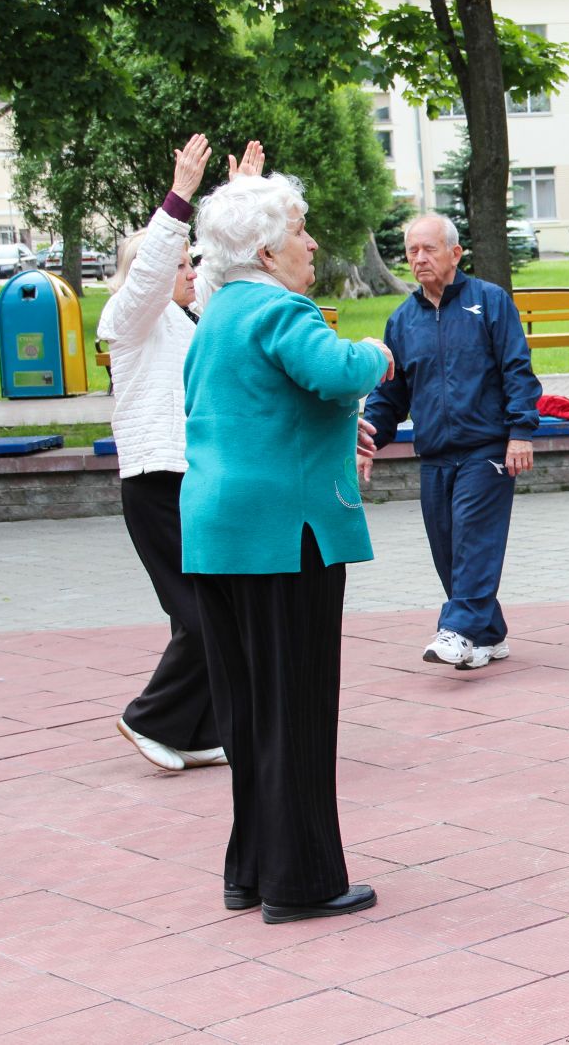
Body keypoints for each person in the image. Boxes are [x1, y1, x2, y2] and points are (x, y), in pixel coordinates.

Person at [183, 171, 395, 924]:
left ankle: (251, 869)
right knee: (297, 708)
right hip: (285, 535)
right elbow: (332, 369)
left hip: (216, 531)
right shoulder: (281, 307)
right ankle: (301, 880)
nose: (311, 243)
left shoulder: (216, 314)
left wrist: (339, 422)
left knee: (248, 713)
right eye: (301, 231)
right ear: (269, 250)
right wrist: (376, 352)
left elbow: (266, 407)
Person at [103, 134, 261, 772]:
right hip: (154, 483)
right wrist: (180, 197)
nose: (191, 272)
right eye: (179, 265)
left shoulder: (191, 321)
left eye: (190, 265)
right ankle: (149, 718)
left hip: (193, 481)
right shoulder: (131, 319)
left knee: (211, 613)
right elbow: (148, 274)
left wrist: (243, 197)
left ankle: (192, 730)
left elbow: (231, 277)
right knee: (202, 615)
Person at [359, 213, 542, 671]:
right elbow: (389, 395)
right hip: (436, 456)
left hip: (487, 450)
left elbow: (516, 370)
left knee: (474, 541)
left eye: (429, 249)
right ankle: (489, 634)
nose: (419, 259)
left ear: (455, 254)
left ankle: (457, 629)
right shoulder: (402, 321)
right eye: (412, 251)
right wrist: (366, 440)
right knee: (449, 551)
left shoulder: (490, 302)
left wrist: (521, 431)